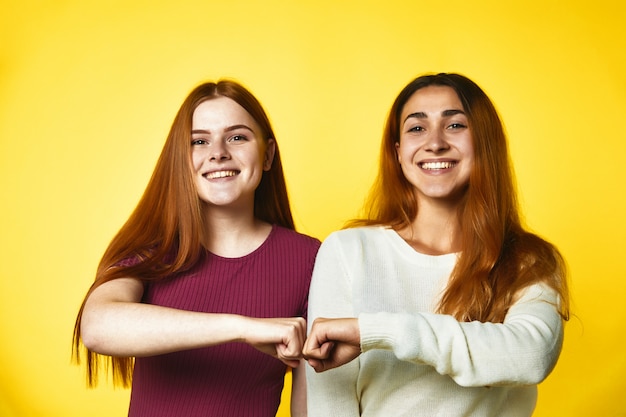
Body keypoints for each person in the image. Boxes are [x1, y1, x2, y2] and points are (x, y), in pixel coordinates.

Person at [303, 73, 569, 417]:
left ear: (484, 142)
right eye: (416, 128)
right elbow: (330, 402)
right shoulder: (348, 252)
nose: (435, 143)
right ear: (398, 152)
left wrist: (373, 331)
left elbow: (532, 356)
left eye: (455, 125)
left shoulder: (528, 261)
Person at [72, 79, 320, 417]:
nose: (218, 152)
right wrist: (243, 328)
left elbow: (312, 404)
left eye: (237, 137)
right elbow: (97, 327)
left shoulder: (309, 259)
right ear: (181, 160)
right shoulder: (151, 249)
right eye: (199, 141)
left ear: (268, 155)